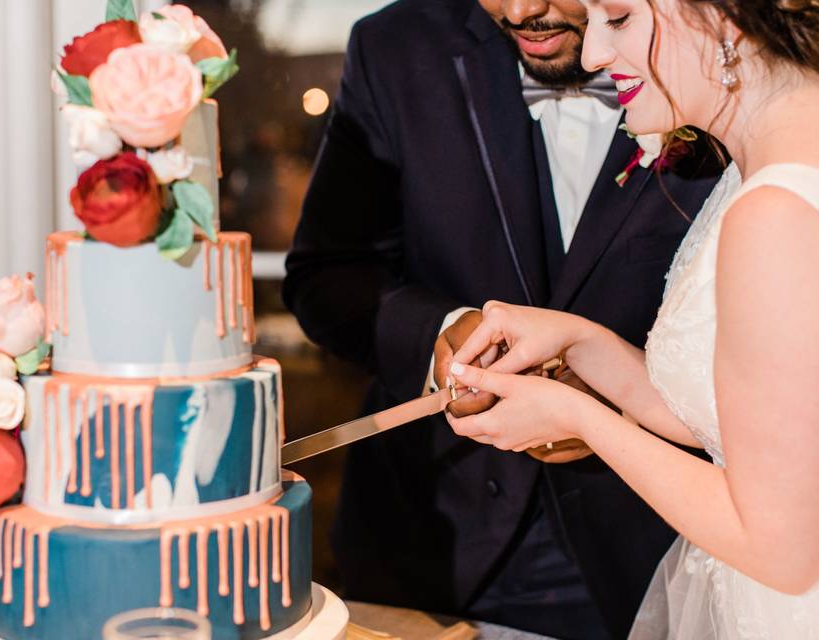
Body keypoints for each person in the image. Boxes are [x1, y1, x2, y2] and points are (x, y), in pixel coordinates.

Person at [443, 0, 819, 637]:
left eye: (620, 19)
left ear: (723, 14)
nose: (594, 53)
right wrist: (579, 342)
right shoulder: (806, 132)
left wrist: (580, 418)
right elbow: (753, 422)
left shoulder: (780, 215)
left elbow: (783, 551)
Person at [282, 0, 721, 637]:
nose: (521, 11)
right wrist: (442, 332)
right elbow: (326, 275)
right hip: (432, 545)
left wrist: (619, 396)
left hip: (658, 547)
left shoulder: (709, 53)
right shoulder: (395, 49)